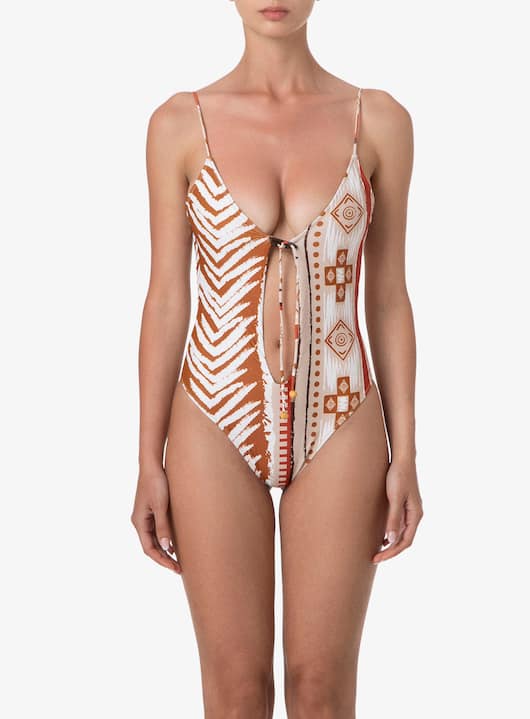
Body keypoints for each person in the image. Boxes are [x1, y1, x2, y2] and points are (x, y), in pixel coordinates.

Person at [132, 1, 423, 715]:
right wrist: (147, 458)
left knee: (320, 693)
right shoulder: (178, 124)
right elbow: (166, 298)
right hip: (211, 416)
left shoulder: (379, 121)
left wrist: (407, 451)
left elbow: (388, 297)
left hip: (343, 417)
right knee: (237, 695)